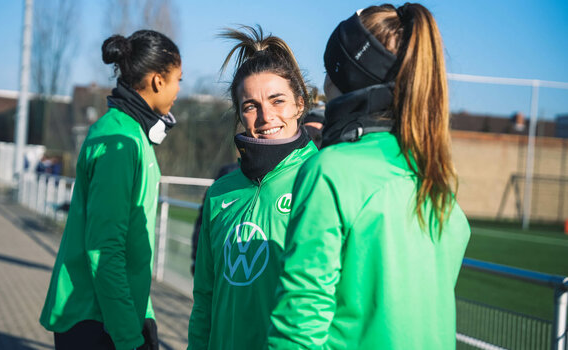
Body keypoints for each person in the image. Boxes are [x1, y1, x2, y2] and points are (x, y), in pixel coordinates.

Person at [269, 3, 471, 349]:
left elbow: (299, 326)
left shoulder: (331, 170)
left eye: (330, 73)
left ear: (344, 79)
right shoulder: (438, 183)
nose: (325, 85)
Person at [39, 29, 181, 350]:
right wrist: (130, 338)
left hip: (115, 313)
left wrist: (144, 314)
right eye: (178, 81)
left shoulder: (132, 134)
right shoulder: (120, 139)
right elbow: (106, 250)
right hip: (94, 318)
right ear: (159, 81)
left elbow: (130, 242)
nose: (178, 91)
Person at [188, 26, 318, 349]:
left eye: (278, 101)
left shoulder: (319, 181)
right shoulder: (221, 192)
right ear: (239, 114)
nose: (265, 116)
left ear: (300, 105)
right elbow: (204, 297)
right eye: (250, 106)